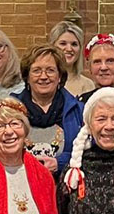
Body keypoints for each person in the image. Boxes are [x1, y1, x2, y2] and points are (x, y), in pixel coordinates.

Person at [12, 44, 83, 173]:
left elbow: (86, 153)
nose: (43, 76)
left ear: (60, 76)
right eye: (36, 70)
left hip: (64, 185)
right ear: (27, 77)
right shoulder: (12, 109)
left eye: (50, 70)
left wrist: (60, 163)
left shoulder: (78, 110)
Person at [76, 33, 114, 102]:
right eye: (97, 62)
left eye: (110, 61)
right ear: (89, 67)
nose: (103, 67)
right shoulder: (82, 103)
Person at [50, 21, 94, 96]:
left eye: (74, 44)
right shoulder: (43, 81)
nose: (69, 49)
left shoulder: (88, 85)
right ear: (52, 46)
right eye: (63, 43)